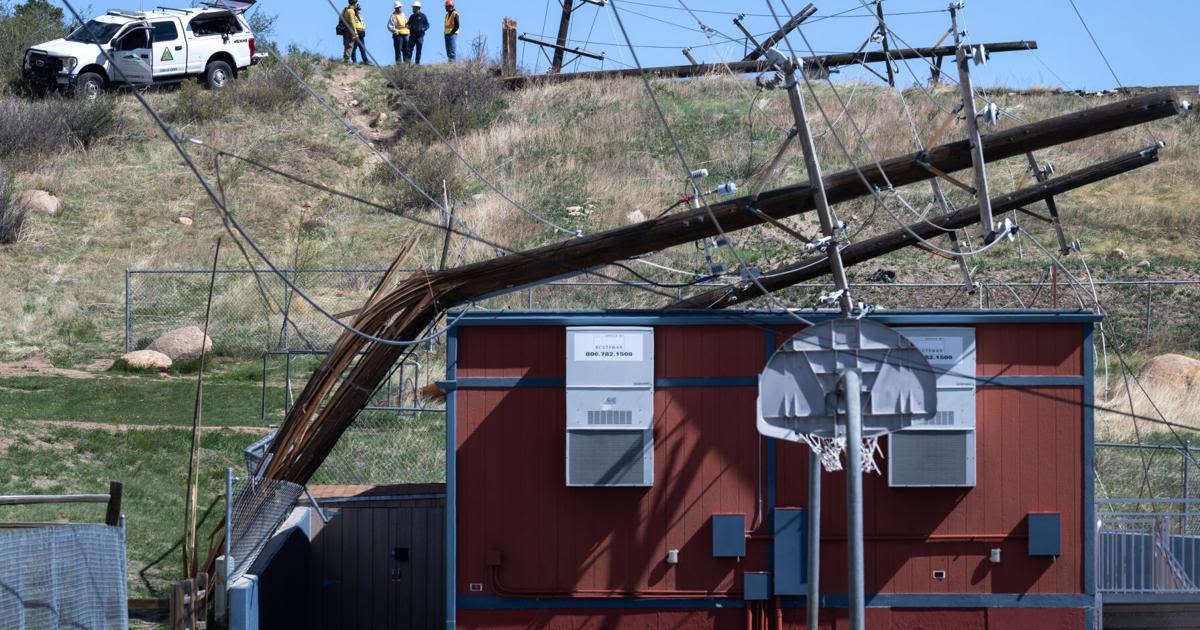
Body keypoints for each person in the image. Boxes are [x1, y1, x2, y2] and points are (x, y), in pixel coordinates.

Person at [340, 0, 368, 64]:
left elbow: (340, 17)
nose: (357, 5)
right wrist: (355, 32)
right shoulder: (351, 11)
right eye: (356, 3)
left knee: (348, 45)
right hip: (351, 30)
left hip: (348, 30)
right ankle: (348, 61)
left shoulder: (345, 10)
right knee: (351, 46)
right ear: (354, 3)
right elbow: (352, 22)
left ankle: (346, 60)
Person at [407, 0, 430, 65]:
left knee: (418, 51)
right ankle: (407, 64)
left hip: (420, 36)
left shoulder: (423, 16)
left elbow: (427, 25)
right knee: (409, 50)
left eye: (413, 7)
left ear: (417, 7)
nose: (412, 8)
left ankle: (417, 64)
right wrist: (408, 26)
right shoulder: (412, 16)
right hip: (412, 36)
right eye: (412, 7)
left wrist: (424, 29)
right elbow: (408, 24)